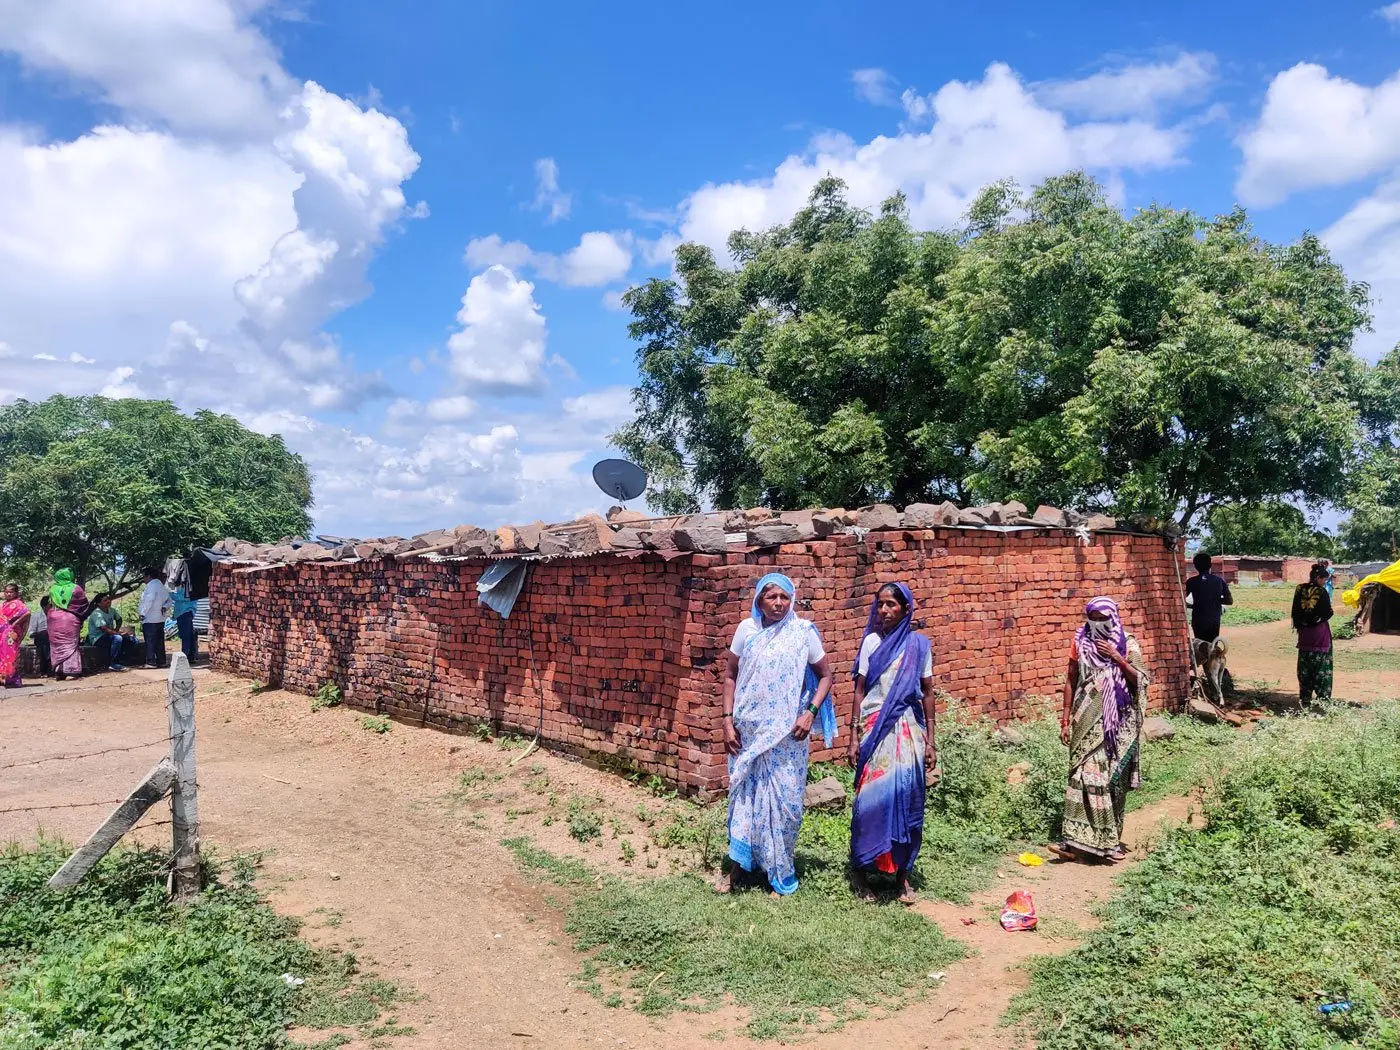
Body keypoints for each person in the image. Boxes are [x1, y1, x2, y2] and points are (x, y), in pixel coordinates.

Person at [718, 573, 835, 896]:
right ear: (759, 601)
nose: (779, 604)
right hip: (747, 733)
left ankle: (778, 871)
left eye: (784, 597)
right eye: (772, 598)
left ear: (792, 600)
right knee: (743, 799)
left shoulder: (802, 633)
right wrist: (727, 721)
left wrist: (809, 713)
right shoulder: (747, 630)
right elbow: (730, 677)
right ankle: (737, 870)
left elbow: (825, 676)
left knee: (784, 804)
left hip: (788, 736)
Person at [847, 582, 936, 905]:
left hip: (908, 731)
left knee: (906, 800)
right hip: (874, 731)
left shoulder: (919, 646)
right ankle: (861, 871)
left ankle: (901, 877)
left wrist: (931, 741)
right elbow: (858, 691)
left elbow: (927, 693)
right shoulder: (871, 642)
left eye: (891, 605)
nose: (883, 611)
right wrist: (853, 736)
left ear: (906, 609)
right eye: (880, 604)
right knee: (869, 802)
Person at [1048, 597, 1150, 864]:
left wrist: (1117, 658)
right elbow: (1071, 679)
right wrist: (1065, 718)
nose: (1098, 624)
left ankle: (1109, 841)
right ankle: (1073, 839)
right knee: (1080, 775)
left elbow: (1141, 680)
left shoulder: (1128, 642)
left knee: (1108, 780)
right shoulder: (1080, 642)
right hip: (1085, 718)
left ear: (1113, 618)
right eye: (1093, 618)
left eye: (1103, 619)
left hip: (1117, 725)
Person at [1292, 562, 1334, 707]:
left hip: (1304, 635)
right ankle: (1323, 700)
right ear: (1317, 577)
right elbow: (1328, 612)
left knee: (1305, 667)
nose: (1324, 582)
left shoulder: (1299, 589)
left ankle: (1305, 699)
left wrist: (1304, 623)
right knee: (1322, 667)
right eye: (1323, 579)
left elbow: (1295, 611)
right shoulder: (1322, 592)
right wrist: (1315, 620)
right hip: (1320, 635)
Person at [46, 569, 89, 681]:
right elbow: (83, 605)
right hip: (69, 619)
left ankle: (59, 671)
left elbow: (50, 603)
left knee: (57, 645)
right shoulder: (76, 588)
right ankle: (72, 671)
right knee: (70, 644)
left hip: (53, 619)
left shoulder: (53, 588)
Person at [1184, 552, 1233, 642]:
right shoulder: (1219, 581)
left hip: (1198, 620)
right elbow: (1229, 601)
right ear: (1210, 565)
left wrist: (1194, 605)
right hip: (1213, 620)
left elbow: (1181, 600)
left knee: (1201, 646)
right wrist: (1215, 600)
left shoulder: (1191, 582)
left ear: (1195, 566)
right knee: (1212, 646)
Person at [86, 592, 129, 671]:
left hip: (109, 635)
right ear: (99, 603)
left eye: (108, 599)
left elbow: (119, 619)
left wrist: (117, 629)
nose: (108, 601)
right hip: (97, 638)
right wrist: (117, 633)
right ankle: (112, 663)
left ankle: (124, 660)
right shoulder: (96, 613)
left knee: (130, 639)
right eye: (105, 600)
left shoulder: (112, 610)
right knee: (118, 638)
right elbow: (103, 628)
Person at [138, 567, 171, 669]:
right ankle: (161, 661)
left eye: (144, 576)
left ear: (149, 576)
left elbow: (149, 600)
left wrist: (142, 613)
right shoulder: (161, 586)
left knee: (150, 641)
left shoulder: (151, 587)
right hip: (160, 618)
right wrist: (164, 607)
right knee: (159, 641)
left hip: (150, 618)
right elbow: (169, 600)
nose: (143, 579)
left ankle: (151, 662)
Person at [1, 583, 32, 688]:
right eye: (6, 592)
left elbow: (27, 613)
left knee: (11, 656)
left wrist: (15, 623)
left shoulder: (17, 603)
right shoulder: (5, 603)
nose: (8, 594)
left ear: (16, 593)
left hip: (11, 634)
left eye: (11, 592)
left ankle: (14, 680)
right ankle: (4, 678)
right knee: (3, 656)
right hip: (3, 634)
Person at [171, 584, 199, 663]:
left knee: (185, 635)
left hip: (184, 612)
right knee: (189, 634)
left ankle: (185, 655)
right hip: (185, 612)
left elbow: (182, 597)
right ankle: (191, 655)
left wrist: (170, 594)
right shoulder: (189, 587)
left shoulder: (188, 588)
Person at [32, 596, 52, 677]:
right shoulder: (36, 616)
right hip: (41, 638)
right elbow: (31, 632)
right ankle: (45, 669)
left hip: (54, 637)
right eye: (50, 605)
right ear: (44, 606)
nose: (52, 607)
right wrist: (42, 632)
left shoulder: (56, 616)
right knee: (44, 639)